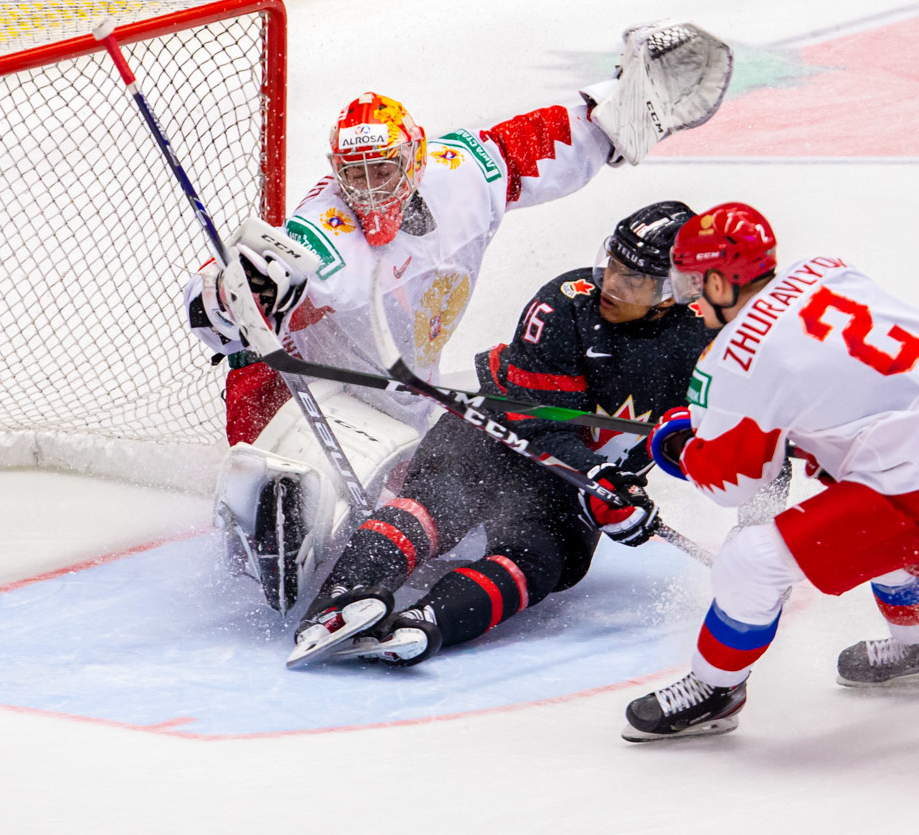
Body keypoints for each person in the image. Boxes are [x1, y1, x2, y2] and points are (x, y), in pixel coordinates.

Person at [186, 21, 734, 615]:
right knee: (288, 540)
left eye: (383, 171)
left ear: (416, 157)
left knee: (466, 516)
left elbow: (533, 145)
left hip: (401, 398)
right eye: (355, 174)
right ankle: (270, 504)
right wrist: (227, 295)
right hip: (309, 392)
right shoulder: (326, 233)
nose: (368, 190)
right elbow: (227, 308)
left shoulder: (464, 175)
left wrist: (618, 109)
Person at [622, 202, 919, 741]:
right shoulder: (823, 268)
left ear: (722, 283)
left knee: (751, 561)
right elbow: (832, 379)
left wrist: (684, 446)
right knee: (870, 522)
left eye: (694, 283)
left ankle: (714, 690)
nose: (689, 301)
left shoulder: (730, 363)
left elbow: (735, 484)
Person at [287, 201, 715, 667]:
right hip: (495, 435)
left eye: (633, 279)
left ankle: (429, 621)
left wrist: (756, 531)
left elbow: (750, 445)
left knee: (545, 560)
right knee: (437, 502)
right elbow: (542, 425)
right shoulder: (565, 304)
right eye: (612, 264)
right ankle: (340, 598)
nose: (611, 283)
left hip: (567, 486)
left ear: (673, 292)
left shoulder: (708, 346)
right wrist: (601, 482)